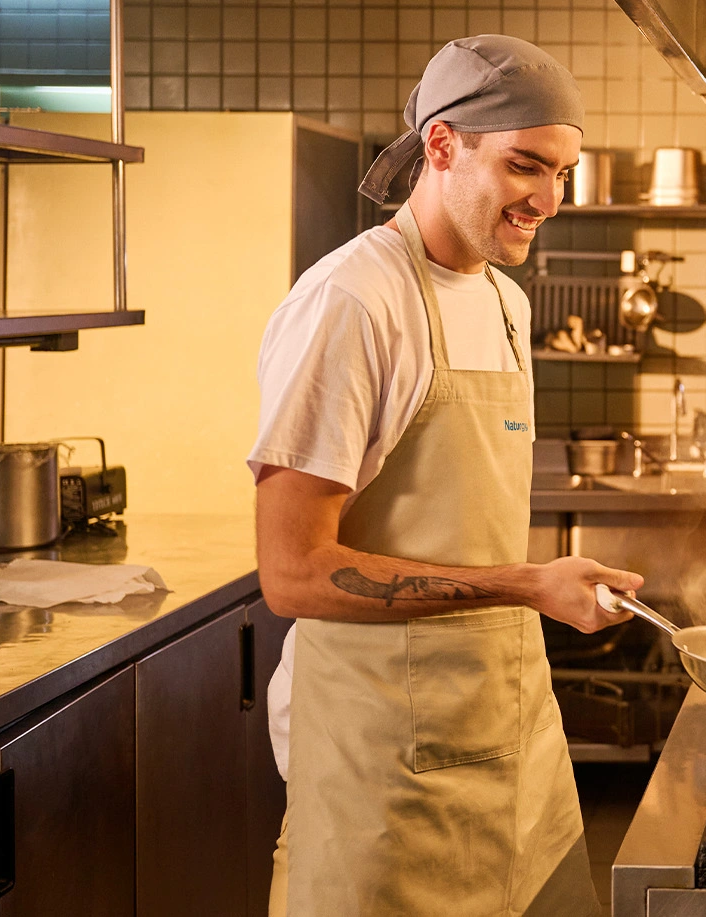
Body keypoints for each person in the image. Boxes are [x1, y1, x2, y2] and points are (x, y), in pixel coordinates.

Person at [248, 35, 641, 917]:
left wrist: (529, 594)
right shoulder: (352, 302)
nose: (549, 198)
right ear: (441, 145)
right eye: (524, 166)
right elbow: (294, 571)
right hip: (385, 772)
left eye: (565, 172)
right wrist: (527, 584)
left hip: (512, 742)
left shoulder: (506, 301)